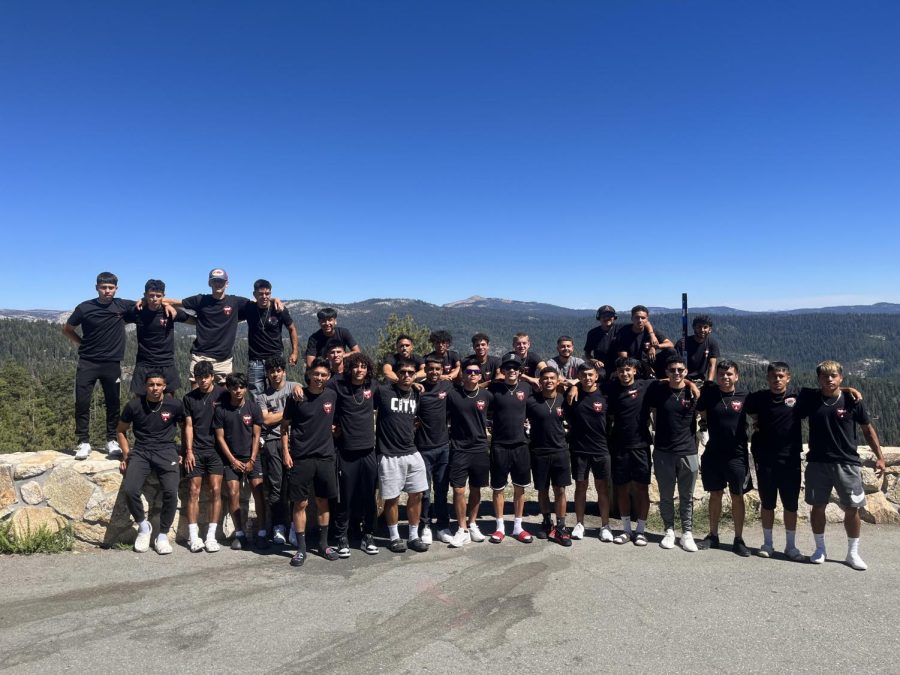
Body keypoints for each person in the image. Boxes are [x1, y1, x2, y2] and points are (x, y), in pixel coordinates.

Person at [796, 360, 886, 571]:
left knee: (852, 508)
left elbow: (867, 430)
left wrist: (880, 456)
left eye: (834, 376)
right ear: (818, 379)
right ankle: (820, 549)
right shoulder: (811, 398)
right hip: (818, 462)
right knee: (818, 506)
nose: (829, 379)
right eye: (825, 376)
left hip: (847, 463)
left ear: (841, 377)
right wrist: (842, 388)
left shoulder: (852, 401)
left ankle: (852, 553)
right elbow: (786, 390)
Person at [63, 272, 137, 459]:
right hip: (87, 362)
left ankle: (112, 440)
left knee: (113, 403)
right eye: (103, 287)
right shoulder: (85, 307)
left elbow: (145, 304)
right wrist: (81, 344)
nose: (107, 291)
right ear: (96, 287)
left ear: (116, 289)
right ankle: (83, 442)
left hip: (112, 363)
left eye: (110, 288)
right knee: (82, 402)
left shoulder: (123, 305)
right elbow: (67, 329)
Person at [116, 371, 184, 555]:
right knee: (130, 489)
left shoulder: (174, 405)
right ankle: (143, 527)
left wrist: (184, 451)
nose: (155, 388)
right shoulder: (134, 405)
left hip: (166, 450)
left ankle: (162, 534)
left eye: (159, 384)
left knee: (171, 491)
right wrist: (126, 454)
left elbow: (187, 427)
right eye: (151, 384)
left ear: (165, 387)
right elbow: (121, 430)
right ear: (145, 387)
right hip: (141, 451)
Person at [281, 358, 340, 566]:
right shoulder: (296, 396)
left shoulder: (332, 395)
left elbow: (339, 421)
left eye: (324, 375)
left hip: (325, 457)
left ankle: (323, 545)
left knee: (323, 501)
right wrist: (286, 453)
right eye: (316, 374)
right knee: (301, 503)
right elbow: (284, 427)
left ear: (329, 377)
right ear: (309, 374)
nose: (319, 378)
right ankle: (301, 549)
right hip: (301, 457)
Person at [744, 362, 805, 561]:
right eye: (773, 376)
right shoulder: (758, 398)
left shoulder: (799, 396)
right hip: (766, 460)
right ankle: (767, 544)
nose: (777, 380)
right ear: (768, 378)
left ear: (788, 377)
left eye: (781, 376)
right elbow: (739, 405)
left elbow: (828, 391)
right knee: (767, 503)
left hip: (790, 460)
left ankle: (790, 546)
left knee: (791, 505)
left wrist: (848, 389)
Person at [372, 357, 429, 553]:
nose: (406, 375)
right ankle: (394, 537)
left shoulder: (416, 394)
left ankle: (413, 535)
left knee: (417, 494)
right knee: (392, 498)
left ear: (415, 376)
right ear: (397, 374)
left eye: (410, 373)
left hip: (411, 451)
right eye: (402, 372)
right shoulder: (383, 392)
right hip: (388, 453)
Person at [696, 360, 752, 556]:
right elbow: (698, 409)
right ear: (717, 376)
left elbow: (760, 417)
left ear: (736, 376)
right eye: (721, 374)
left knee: (738, 496)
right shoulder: (710, 395)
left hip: (737, 455)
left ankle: (739, 539)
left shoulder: (745, 396)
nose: (725, 377)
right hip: (713, 453)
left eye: (729, 374)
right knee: (715, 494)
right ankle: (713, 535)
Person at [646, 355, 701, 552]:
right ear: (666, 373)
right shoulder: (658, 391)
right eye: (672, 370)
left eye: (680, 370)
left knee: (687, 496)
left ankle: (687, 532)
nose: (676, 373)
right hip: (663, 452)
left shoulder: (694, 393)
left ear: (686, 372)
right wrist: (686, 381)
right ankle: (669, 530)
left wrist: (690, 384)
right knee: (666, 495)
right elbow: (648, 382)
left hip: (688, 451)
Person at [328, 351, 380, 556]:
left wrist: (414, 386)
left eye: (363, 366)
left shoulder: (373, 386)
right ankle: (342, 537)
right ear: (350, 368)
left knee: (368, 497)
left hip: (368, 451)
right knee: (345, 498)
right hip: (346, 452)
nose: (359, 370)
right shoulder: (338, 385)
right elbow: (317, 388)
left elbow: (394, 389)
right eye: (356, 366)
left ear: (368, 369)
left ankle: (368, 535)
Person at [213, 372, 265, 550]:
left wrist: (252, 458)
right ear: (228, 388)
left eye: (241, 387)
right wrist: (233, 460)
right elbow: (220, 438)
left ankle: (261, 533)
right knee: (233, 492)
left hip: (252, 457)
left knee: (258, 491)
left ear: (245, 388)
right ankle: (240, 534)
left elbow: (256, 435)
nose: (238, 391)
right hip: (231, 459)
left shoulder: (253, 407)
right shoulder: (221, 410)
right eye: (234, 387)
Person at [174, 268, 253, 384]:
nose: (218, 284)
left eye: (221, 281)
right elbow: (175, 302)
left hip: (224, 360)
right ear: (209, 283)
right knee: (196, 395)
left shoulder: (235, 302)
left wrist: (274, 300)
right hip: (200, 356)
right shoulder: (200, 300)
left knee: (225, 396)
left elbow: (261, 302)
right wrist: (148, 301)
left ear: (227, 283)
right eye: (215, 281)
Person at [445, 359, 493, 547]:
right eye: (469, 372)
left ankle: (473, 523)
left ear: (480, 376)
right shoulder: (453, 395)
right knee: (458, 490)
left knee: (476, 488)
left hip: (480, 448)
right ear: (463, 375)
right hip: (459, 448)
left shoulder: (487, 396)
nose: (472, 374)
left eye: (476, 372)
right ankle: (462, 528)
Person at [607, 357, 654, 545]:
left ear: (634, 370)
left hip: (641, 445)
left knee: (642, 488)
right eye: (621, 371)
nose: (624, 374)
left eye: (628, 370)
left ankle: (640, 530)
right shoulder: (611, 388)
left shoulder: (646, 386)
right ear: (617, 372)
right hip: (618, 446)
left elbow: (672, 380)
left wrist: (691, 385)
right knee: (622, 489)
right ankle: (626, 530)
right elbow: (589, 383)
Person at [486, 355, 533, 543]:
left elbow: (548, 389)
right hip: (499, 445)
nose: (512, 370)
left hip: (521, 445)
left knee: (519, 487)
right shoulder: (494, 389)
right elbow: (475, 392)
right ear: (503, 371)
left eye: (515, 368)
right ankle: (499, 527)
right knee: (498, 488)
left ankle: (518, 527)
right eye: (508, 368)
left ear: (519, 371)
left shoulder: (526, 388)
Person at [256, 356, 302, 546]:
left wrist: (277, 415)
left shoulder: (295, 387)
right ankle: (278, 526)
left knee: (294, 486)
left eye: (278, 371)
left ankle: (293, 526)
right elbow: (266, 420)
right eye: (271, 371)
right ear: (267, 374)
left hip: (296, 440)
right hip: (273, 442)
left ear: (284, 371)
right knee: (276, 486)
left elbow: (304, 405)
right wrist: (290, 411)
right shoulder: (262, 396)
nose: (275, 375)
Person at [182, 361, 227, 552]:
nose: (202, 381)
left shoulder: (223, 395)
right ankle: (194, 537)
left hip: (217, 451)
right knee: (193, 491)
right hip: (197, 451)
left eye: (206, 377)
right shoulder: (189, 398)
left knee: (216, 491)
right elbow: (188, 426)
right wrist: (189, 451)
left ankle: (210, 537)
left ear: (212, 377)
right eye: (199, 378)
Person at [565, 363, 613, 541]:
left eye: (590, 375)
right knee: (580, 487)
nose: (587, 378)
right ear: (579, 376)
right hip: (579, 449)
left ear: (596, 376)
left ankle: (605, 525)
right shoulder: (573, 395)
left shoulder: (605, 395)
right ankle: (579, 524)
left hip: (601, 448)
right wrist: (573, 386)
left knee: (602, 488)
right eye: (583, 375)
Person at [526, 368, 573, 546]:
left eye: (552, 378)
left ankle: (561, 526)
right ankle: (547, 522)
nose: (548, 381)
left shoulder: (565, 400)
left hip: (560, 451)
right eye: (545, 378)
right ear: (540, 381)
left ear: (558, 380)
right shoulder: (531, 401)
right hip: (538, 452)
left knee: (560, 490)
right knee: (542, 490)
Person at [125, 279, 191, 397]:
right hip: (143, 363)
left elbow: (194, 320)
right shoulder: (137, 311)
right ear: (145, 295)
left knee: (169, 402)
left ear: (163, 296)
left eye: (158, 296)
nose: (154, 298)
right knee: (139, 403)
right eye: (151, 295)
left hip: (166, 362)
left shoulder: (171, 312)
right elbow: (116, 319)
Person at [416, 355, 453, 545]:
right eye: (430, 369)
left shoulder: (447, 387)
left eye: (437, 369)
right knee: (424, 492)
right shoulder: (419, 389)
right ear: (426, 370)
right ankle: (425, 526)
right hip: (423, 449)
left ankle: (443, 526)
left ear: (442, 371)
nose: (434, 372)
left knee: (441, 490)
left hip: (443, 447)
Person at [243, 279, 299, 397]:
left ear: (271, 293)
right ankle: (261, 415)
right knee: (256, 395)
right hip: (255, 361)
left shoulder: (278, 309)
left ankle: (280, 415)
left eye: (267, 294)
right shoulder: (249, 308)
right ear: (254, 294)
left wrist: (295, 352)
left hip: (276, 357)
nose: (264, 296)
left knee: (279, 391)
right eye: (261, 294)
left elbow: (292, 329)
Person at [615, 305, 675, 379]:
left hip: (651, 360)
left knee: (671, 351)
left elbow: (670, 344)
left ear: (647, 319)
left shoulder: (651, 332)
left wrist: (654, 347)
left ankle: (669, 375)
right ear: (632, 318)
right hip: (635, 362)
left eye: (643, 318)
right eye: (637, 317)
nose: (640, 320)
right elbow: (623, 356)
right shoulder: (624, 332)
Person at [677, 314, 719, 385]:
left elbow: (712, 365)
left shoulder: (712, 343)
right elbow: (675, 364)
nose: (702, 330)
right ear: (694, 327)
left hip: (701, 380)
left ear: (710, 329)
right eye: (699, 327)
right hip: (682, 379)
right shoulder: (682, 343)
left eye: (705, 327)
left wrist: (709, 383)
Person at [583, 305, 620, 377]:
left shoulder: (621, 329)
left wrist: (649, 332)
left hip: (619, 366)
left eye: (609, 315)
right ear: (599, 318)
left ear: (614, 317)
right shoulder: (593, 333)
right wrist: (594, 361)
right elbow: (587, 353)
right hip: (601, 368)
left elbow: (641, 322)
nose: (607, 318)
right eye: (604, 316)